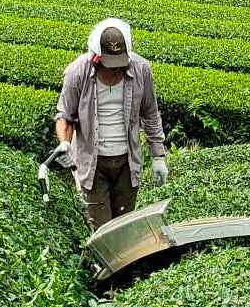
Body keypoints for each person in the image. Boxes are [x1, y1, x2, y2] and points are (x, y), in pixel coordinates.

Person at [55, 17, 168, 232]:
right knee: (102, 230)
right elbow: (65, 115)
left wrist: (158, 157)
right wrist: (64, 143)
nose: (115, 70)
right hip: (92, 164)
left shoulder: (141, 69)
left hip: (127, 162)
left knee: (123, 227)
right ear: (96, 56)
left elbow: (150, 114)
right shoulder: (77, 72)